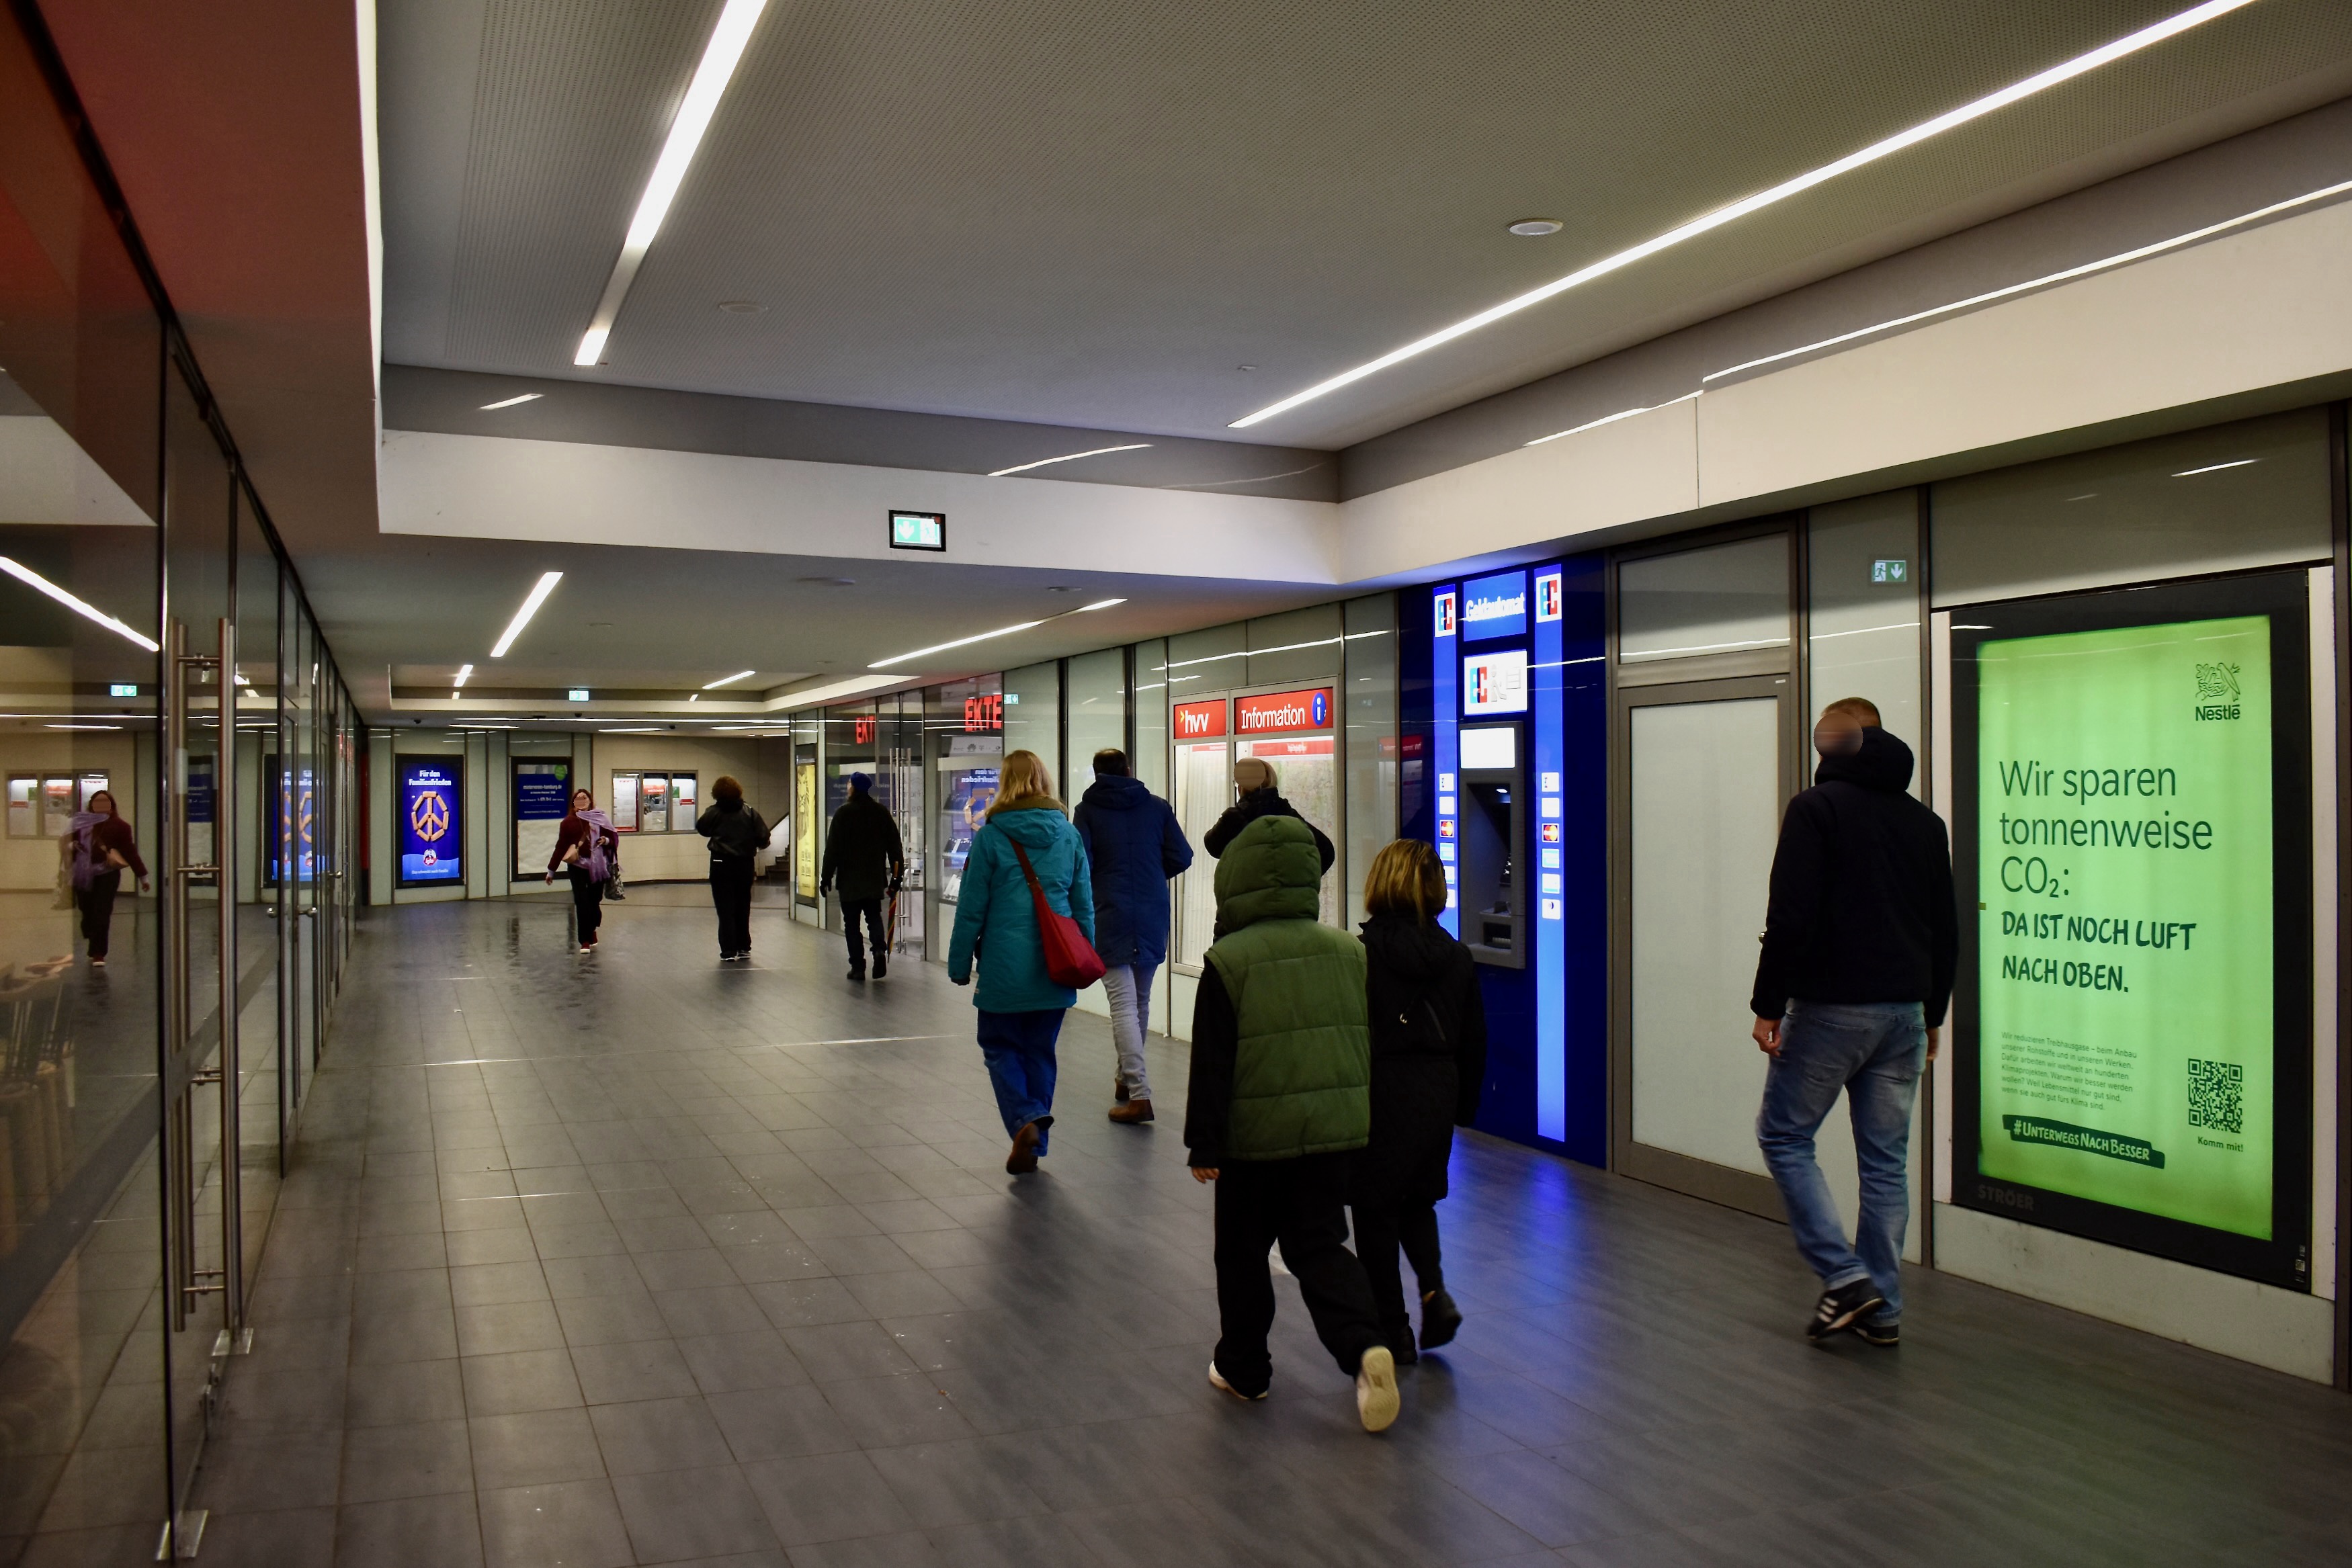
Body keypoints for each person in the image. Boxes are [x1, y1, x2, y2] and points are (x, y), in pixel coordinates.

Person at [1751, 697, 1956, 1348]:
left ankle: (1844, 1279)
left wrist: (1766, 1004)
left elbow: (1789, 916)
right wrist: (1932, 1014)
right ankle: (1883, 1308)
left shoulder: (1816, 810)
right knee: (1885, 1163)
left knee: (1784, 1136)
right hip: (1904, 1015)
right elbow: (1945, 929)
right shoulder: (1925, 823)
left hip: (1832, 1010)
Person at [1185, 814, 1398, 1434]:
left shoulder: (1229, 961)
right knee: (1319, 1245)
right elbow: (1370, 1044)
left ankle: (1244, 1368)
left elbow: (1213, 1062)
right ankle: (1365, 1346)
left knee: (1242, 1254)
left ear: (1235, 880)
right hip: (1331, 1133)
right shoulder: (1350, 952)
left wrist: (1205, 1143)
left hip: (1253, 1140)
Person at [1352, 838, 1485, 1364]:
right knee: (1417, 1199)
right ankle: (1434, 1292)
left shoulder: (1362, 954)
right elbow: (1474, 1040)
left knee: (1375, 1209)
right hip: (1437, 1088)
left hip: (1381, 1086)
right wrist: (1463, 1108)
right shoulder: (1458, 957)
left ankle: (1394, 1330)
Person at [946, 750, 1093, 1175]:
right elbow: (1083, 904)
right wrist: (1085, 956)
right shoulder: (1068, 835)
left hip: (1004, 968)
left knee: (999, 1046)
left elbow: (971, 909)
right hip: (1055, 966)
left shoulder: (992, 838)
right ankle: (1034, 1143)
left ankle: (1025, 1120)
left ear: (1005, 784)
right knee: (1040, 1053)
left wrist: (959, 964)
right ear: (1045, 780)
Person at [1073, 746, 1193, 1124]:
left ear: (1096, 774)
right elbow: (1182, 856)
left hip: (1109, 912)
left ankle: (1139, 1093)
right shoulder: (1157, 807)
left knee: (1123, 1005)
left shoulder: (1087, 811)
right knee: (1139, 1002)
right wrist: (1151, 876)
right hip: (1152, 910)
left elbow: (1082, 864)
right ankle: (1126, 1078)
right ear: (1128, 769)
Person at [820, 771, 904, 982]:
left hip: (849, 881)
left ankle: (857, 968)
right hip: (874, 879)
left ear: (854, 788)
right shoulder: (881, 813)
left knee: (852, 924)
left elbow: (832, 850)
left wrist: (825, 877)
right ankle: (879, 950)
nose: (848, 787)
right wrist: (897, 877)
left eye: (850, 784)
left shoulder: (843, 813)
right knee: (874, 917)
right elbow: (895, 847)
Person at [62, 791, 149, 967]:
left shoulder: (121, 827)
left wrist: (143, 877)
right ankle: (91, 934)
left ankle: (98, 953)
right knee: (87, 911)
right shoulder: (81, 823)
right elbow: (65, 842)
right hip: (83, 875)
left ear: (112, 806)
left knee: (102, 912)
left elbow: (130, 852)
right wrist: (72, 846)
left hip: (107, 875)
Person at [1203, 756, 1334, 872]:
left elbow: (1213, 847)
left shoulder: (1235, 818)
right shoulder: (1288, 814)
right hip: (1287, 893)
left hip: (1249, 892)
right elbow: (1326, 853)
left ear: (1242, 787)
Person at [696, 775, 770, 962]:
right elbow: (764, 837)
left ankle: (728, 950)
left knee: (725, 908)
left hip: (720, 864)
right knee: (743, 905)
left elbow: (702, 828)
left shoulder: (713, 812)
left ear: (716, 793)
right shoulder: (749, 812)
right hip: (744, 864)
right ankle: (743, 946)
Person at [546, 788, 618, 953]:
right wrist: (551, 871)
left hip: (598, 867)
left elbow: (614, 839)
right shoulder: (568, 823)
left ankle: (592, 928)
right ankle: (584, 940)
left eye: (584, 798)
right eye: (578, 799)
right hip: (577, 867)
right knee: (581, 901)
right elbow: (561, 847)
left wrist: (606, 840)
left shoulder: (600, 818)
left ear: (590, 800)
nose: (582, 801)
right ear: (573, 803)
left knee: (594, 901)